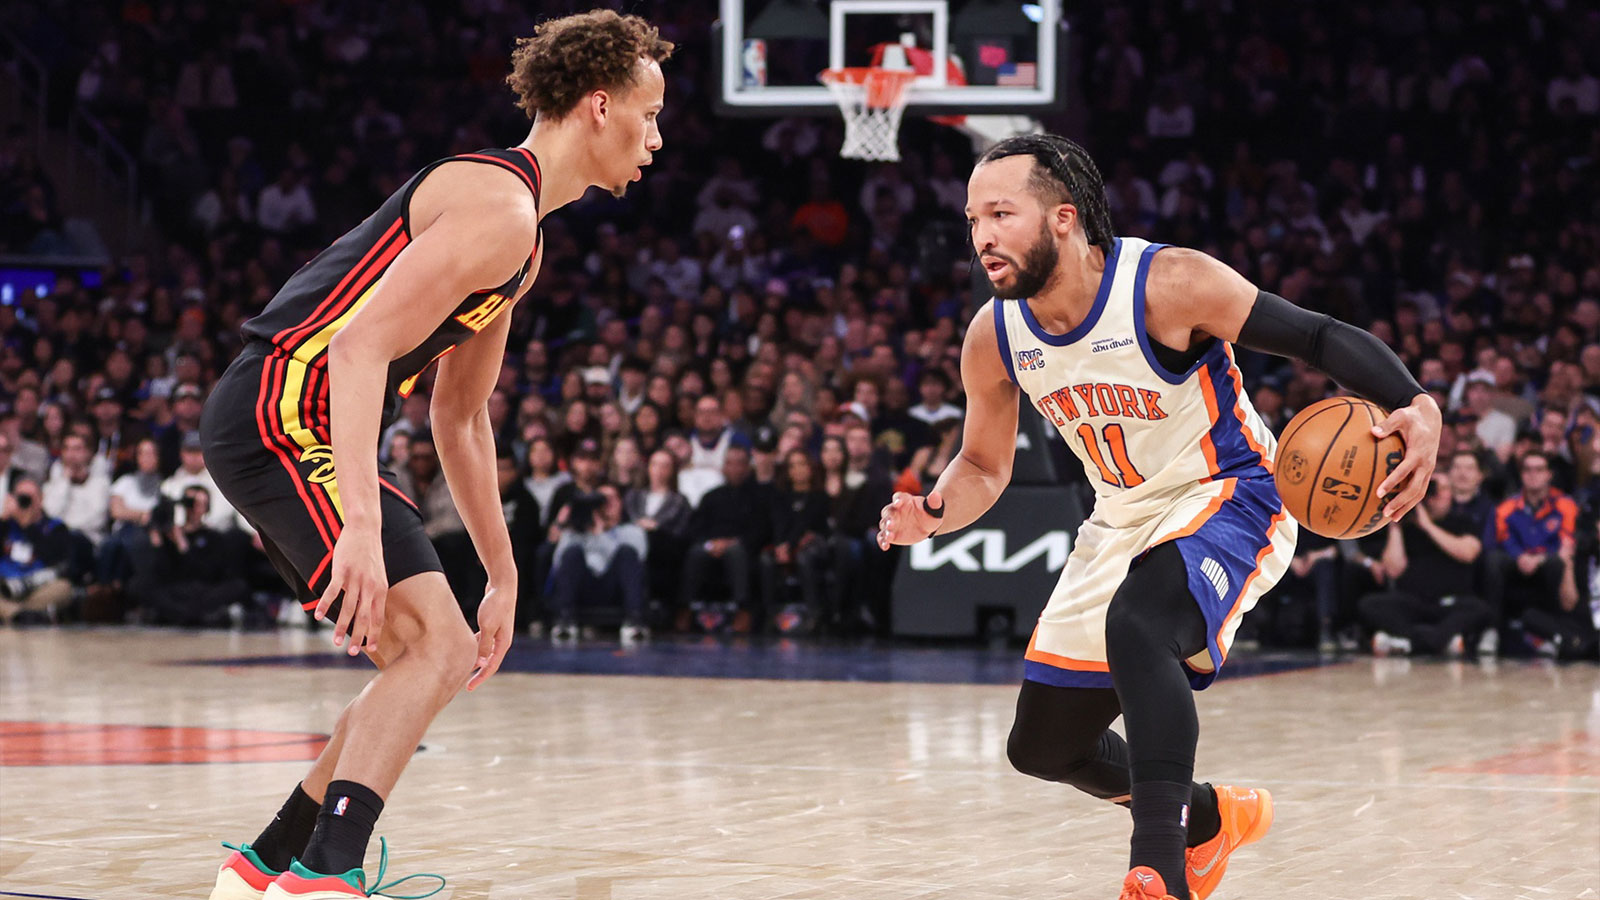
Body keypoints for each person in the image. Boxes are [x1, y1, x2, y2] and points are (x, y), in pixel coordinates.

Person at [877, 134, 1440, 900]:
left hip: (1230, 491)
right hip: (1120, 518)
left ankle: (1159, 875)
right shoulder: (994, 335)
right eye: (973, 218)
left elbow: (1315, 335)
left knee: (1140, 627)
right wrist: (934, 513)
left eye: (1001, 214)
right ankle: (1209, 820)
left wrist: (1416, 403)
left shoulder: (1166, 284)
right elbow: (982, 465)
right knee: (1043, 749)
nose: (982, 235)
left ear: (1063, 218)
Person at [199, 12, 671, 898]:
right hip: (282, 407)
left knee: (421, 661)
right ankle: (322, 879)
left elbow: (461, 416)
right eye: (648, 116)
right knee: (434, 650)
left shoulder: (524, 237)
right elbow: (356, 348)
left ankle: (262, 870)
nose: (655, 139)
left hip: (296, 415)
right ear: (600, 106)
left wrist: (503, 574)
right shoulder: (499, 207)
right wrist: (361, 527)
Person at [1359, 474, 1492, 656]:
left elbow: (1468, 553)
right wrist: (1395, 524)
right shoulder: (1407, 526)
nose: (1438, 494)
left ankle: (1407, 641)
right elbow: (1393, 570)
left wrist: (1427, 526)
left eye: (1443, 488)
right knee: (1370, 604)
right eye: (1432, 488)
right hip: (1412, 601)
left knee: (1478, 609)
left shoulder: (1463, 522)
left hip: (1451, 602)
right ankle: (1441, 641)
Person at [1482, 449, 1587, 658]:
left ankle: (1551, 632)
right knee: (1492, 560)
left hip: (1547, 564)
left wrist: (1540, 558)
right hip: (1517, 566)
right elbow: (1503, 539)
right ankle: (1491, 630)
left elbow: (1566, 540)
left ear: (1549, 474)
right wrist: (1519, 556)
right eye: (1528, 470)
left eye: (1539, 470)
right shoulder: (1506, 507)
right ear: (1521, 475)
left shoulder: (1566, 505)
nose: (1533, 475)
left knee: (1557, 563)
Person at [0, 476, 74, 625]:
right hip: (4, 586)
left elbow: (54, 559)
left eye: (30, 498)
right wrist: (2, 520)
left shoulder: (55, 527)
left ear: (41, 499)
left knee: (64, 588)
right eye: (21, 497)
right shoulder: (6, 525)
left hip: (37, 587)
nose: (25, 502)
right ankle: (20, 615)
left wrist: (29, 527)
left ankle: (12, 613)